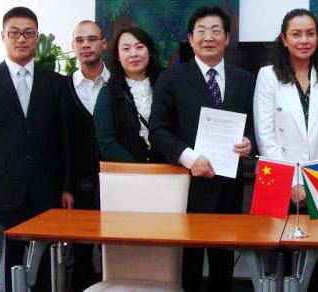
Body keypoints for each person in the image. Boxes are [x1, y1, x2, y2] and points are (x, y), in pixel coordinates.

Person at [0, 7, 73, 291]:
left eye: (28, 33)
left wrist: (66, 187)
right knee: (9, 264)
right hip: (3, 192)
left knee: (48, 267)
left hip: (46, 190)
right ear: (3, 36)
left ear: (36, 38)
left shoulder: (56, 83)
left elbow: (64, 139)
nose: (21, 39)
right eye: (14, 33)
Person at [148, 6, 255, 292]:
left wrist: (248, 143)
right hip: (188, 185)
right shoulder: (171, 78)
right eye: (202, 32)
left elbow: (253, 125)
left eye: (216, 31)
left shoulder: (245, 79)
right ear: (191, 38)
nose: (209, 37)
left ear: (227, 37)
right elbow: (157, 130)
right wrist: (189, 158)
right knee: (188, 263)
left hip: (229, 185)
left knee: (224, 262)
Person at [253, 8, 318, 291]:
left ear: (317, 38)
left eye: (310, 33)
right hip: (275, 174)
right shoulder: (268, 76)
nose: (304, 40)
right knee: (274, 256)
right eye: (296, 34)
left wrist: (313, 181)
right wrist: (291, 183)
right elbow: (264, 134)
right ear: (284, 39)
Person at [63, 20, 109, 291]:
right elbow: (60, 141)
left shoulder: (119, 85)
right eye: (79, 40)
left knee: (114, 252)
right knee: (77, 256)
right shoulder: (62, 87)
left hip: (117, 183)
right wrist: (65, 186)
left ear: (103, 44)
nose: (86, 45)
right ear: (73, 46)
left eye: (92, 39)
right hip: (78, 185)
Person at [93, 27, 162, 162]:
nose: (133, 54)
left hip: (168, 173)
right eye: (126, 49)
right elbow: (107, 144)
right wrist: (138, 170)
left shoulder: (167, 86)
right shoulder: (108, 93)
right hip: (127, 175)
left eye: (139, 47)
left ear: (149, 51)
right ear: (118, 56)